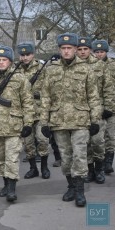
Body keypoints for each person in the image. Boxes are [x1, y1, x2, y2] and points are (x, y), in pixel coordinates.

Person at [40, 33, 102, 207]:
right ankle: (71, 186)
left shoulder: (86, 69)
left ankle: (80, 191)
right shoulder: (51, 69)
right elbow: (45, 97)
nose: (66, 51)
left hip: (81, 120)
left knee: (80, 155)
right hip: (58, 121)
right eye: (63, 48)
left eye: (69, 48)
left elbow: (94, 97)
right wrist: (44, 122)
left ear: (75, 49)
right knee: (66, 158)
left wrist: (95, 119)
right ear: (59, 50)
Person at [0, 45, 34, 202]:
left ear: (10, 61)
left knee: (12, 158)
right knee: (0, 158)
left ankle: (11, 188)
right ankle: (5, 183)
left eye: (4, 60)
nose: (1, 62)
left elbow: (28, 103)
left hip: (14, 125)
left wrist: (28, 124)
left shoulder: (20, 78)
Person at [77, 37, 114, 184]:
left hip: (97, 110)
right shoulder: (73, 67)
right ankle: (90, 170)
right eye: (79, 49)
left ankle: (99, 168)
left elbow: (109, 88)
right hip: (80, 112)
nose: (82, 52)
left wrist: (108, 108)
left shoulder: (100, 66)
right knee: (84, 143)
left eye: (85, 49)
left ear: (89, 50)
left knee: (98, 141)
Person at [17, 42, 51, 180]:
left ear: (33, 55)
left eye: (27, 54)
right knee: (28, 143)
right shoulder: (15, 69)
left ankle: (44, 167)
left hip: (40, 110)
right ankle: (33, 168)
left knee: (42, 140)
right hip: (24, 112)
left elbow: (49, 89)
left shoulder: (42, 68)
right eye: (22, 55)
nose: (25, 58)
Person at [92, 40, 115, 174]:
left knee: (111, 136)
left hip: (113, 106)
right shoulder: (92, 66)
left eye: (102, 52)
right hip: (98, 106)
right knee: (98, 138)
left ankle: (108, 163)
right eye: (97, 52)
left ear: (106, 52)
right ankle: (99, 163)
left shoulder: (113, 65)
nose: (99, 54)